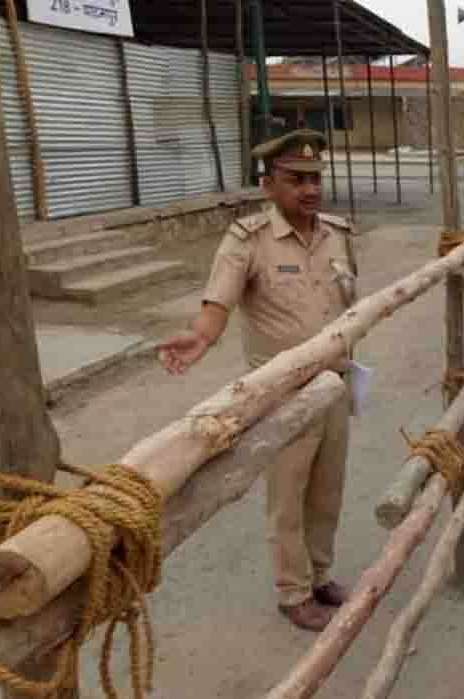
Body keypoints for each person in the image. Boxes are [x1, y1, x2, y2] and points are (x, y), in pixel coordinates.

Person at [157, 130, 357, 632]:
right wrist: (199, 338)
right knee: (287, 496)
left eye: (315, 178)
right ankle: (293, 593)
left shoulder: (337, 234)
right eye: (296, 180)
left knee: (327, 490)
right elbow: (217, 305)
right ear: (268, 186)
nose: (310, 189)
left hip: (334, 384)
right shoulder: (246, 240)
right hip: (281, 396)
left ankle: (320, 575)